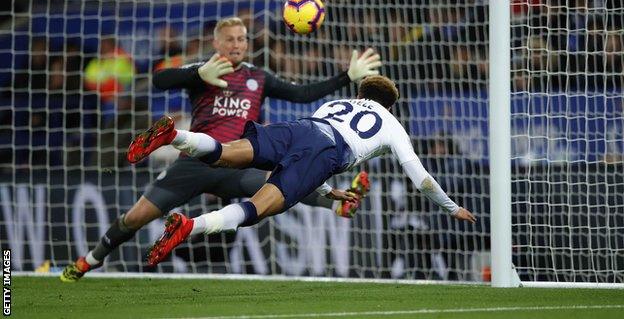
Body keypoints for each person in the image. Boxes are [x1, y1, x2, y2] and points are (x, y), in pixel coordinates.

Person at [60, 17, 381, 282]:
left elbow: (301, 95)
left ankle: (338, 206)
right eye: (230, 39)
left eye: (241, 39)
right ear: (217, 43)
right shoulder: (203, 71)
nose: (237, 44)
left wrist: (345, 77)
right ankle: (91, 259)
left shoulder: (258, 77)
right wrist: (197, 73)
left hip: (239, 164)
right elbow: (159, 80)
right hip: (194, 166)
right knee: (134, 218)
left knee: (281, 179)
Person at [138, 75, 477, 266]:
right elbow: (424, 180)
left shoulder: (336, 104)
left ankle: (176, 136)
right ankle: (189, 226)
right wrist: (452, 208)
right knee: (257, 208)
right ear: (389, 106)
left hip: (300, 128)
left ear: (359, 94)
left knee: (226, 153)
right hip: (327, 150)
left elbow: (304, 152)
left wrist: (329, 191)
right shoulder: (393, 126)